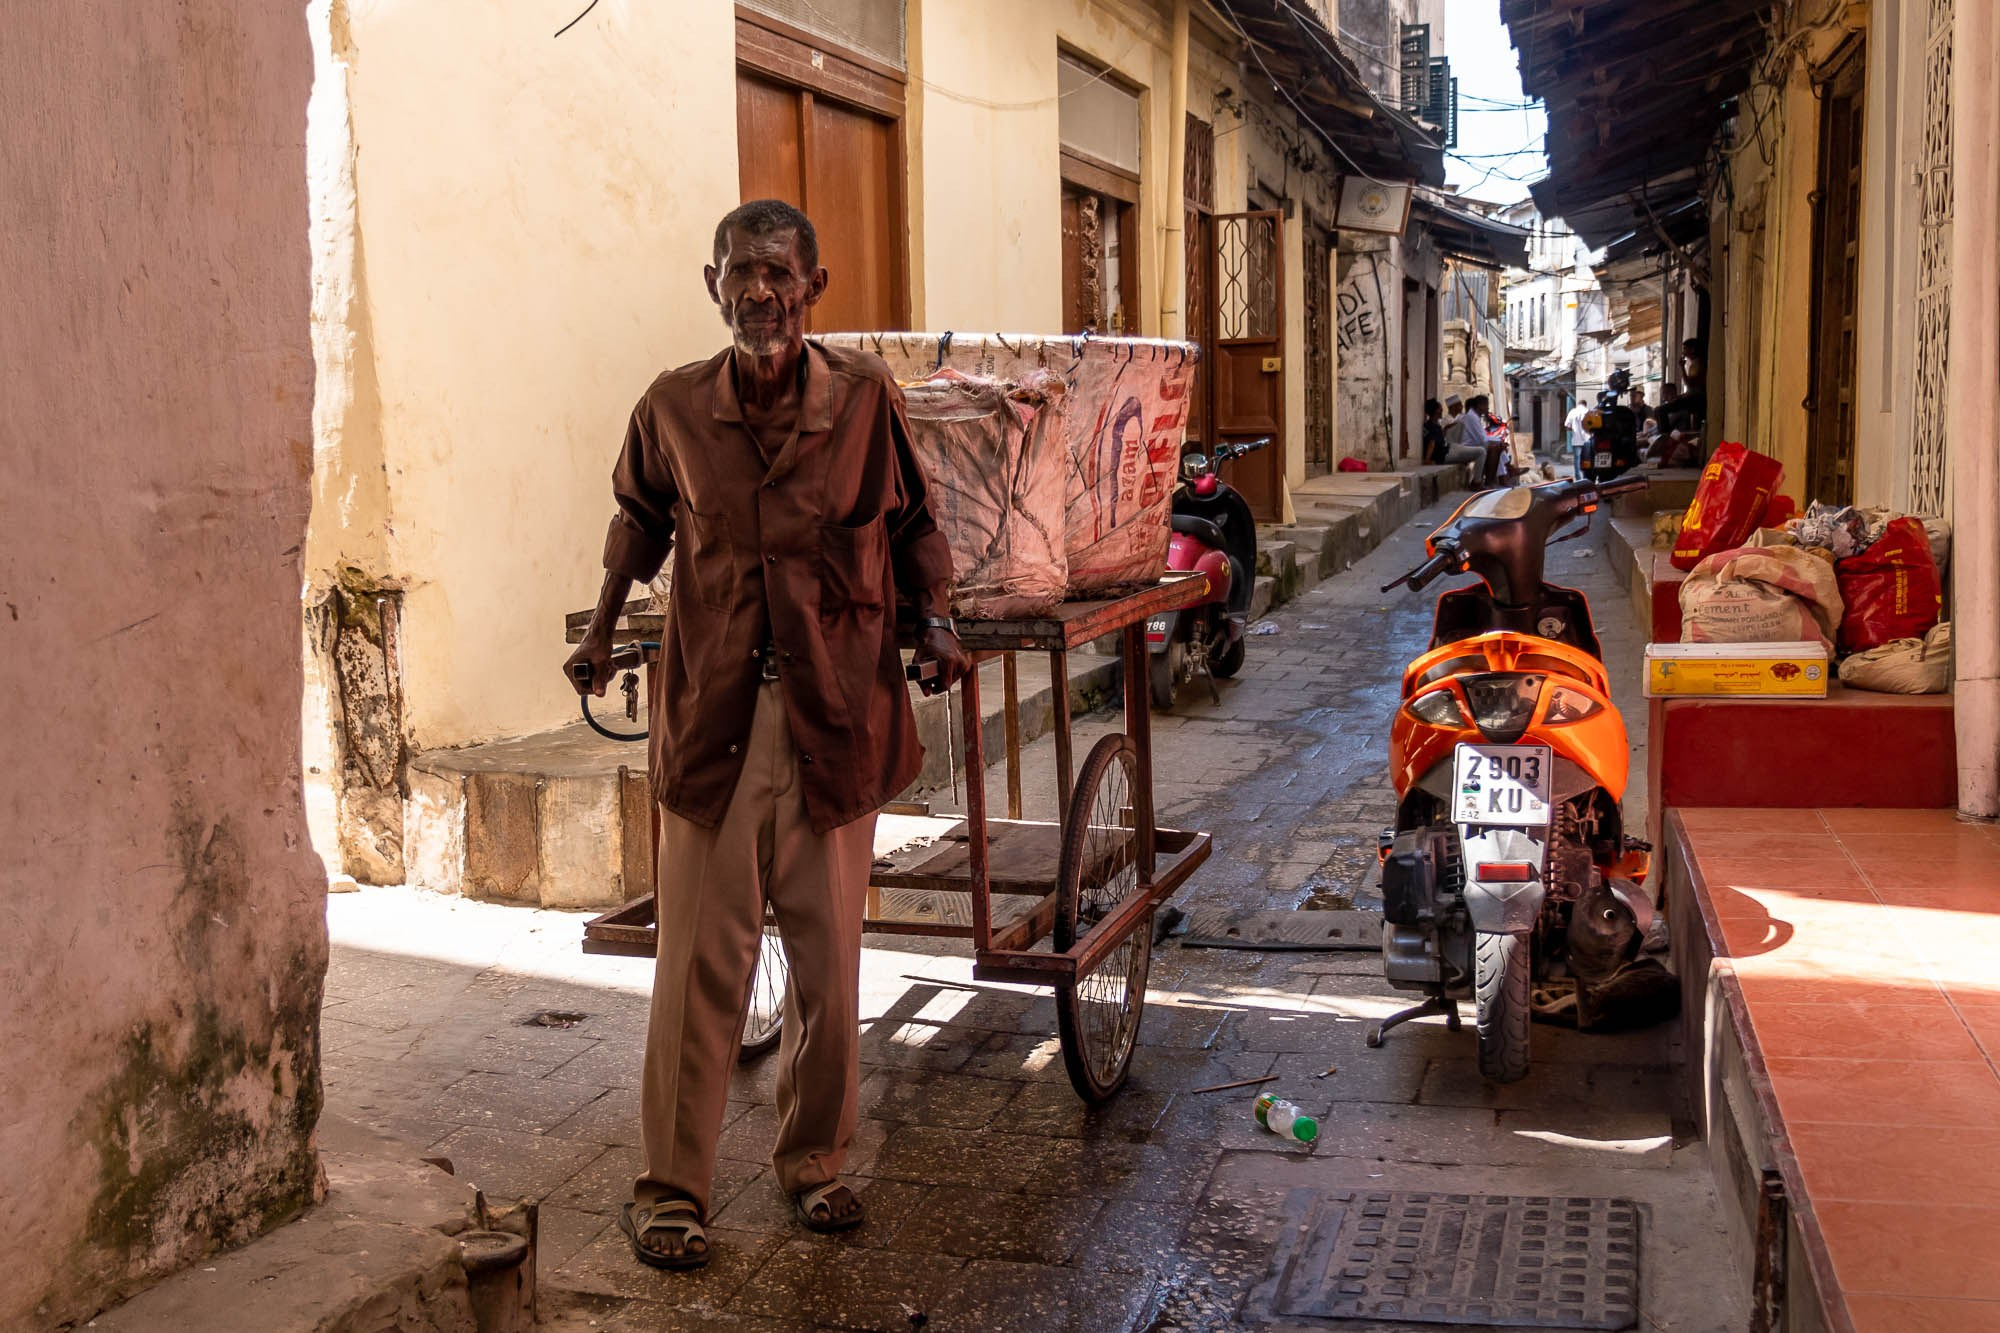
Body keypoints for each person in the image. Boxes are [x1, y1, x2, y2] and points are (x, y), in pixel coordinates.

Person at [565, 199, 971, 1271]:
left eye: (779, 274)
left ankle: (815, 1163)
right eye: (740, 273)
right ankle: (671, 1190)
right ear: (714, 287)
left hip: (835, 716)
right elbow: (637, 520)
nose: (759, 293)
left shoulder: (865, 402)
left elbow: (911, 524)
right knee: (698, 966)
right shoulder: (672, 407)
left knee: (828, 967)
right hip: (716, 722)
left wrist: (937, 623)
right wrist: (600, 630)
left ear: (812, 287)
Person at [1465, 394, 1506, 487]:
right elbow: (1482, 439)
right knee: (1495, 448)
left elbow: (1483, 437)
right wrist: (1497, 442)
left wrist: (1498, 442)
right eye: (1486, 405)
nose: (1487, 408)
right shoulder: (1472, 417)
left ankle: (1496, 478)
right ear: (1480, 406)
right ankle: (1488, 481)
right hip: (1468, 446)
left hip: (1474, 444)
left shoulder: (1475, 416)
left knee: (1497, 446)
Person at [1564, 397, 1594, 479]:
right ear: (1585, 405)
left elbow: (1567, 426)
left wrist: (1574, 429)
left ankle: (1578, 478)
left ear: (1578, 404)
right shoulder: (1588, 412)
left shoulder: (1572, 412)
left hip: (1576, 440)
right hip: (1587, 439)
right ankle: (1586, 477)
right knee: (1587, 459)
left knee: (1577, 459)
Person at [1421, 397, 1448, 464]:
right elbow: (1431, 443)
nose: (1442, 411)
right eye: (1440, 409)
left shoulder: (1434, 425)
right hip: (1441, 455)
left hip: (1442, 453)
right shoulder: (1431, 426)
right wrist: (1427, 460)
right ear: (1436, 411)